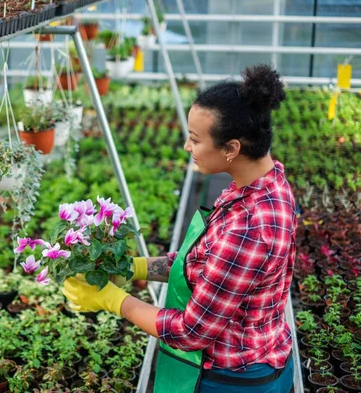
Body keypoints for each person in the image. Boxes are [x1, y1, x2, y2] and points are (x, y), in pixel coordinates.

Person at [62, 64, 296, 393]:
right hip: (252, 357)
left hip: (232, 378)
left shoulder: (251, 227)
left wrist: (114, 300)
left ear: (231, 149)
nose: (187, 146)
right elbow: (205, 261)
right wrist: (132, 267)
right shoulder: (259, 183)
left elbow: (191, 332)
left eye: (195, 139)